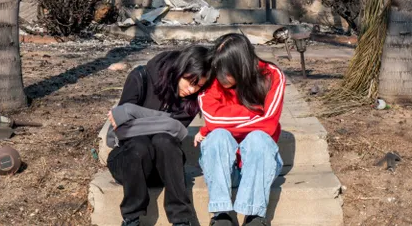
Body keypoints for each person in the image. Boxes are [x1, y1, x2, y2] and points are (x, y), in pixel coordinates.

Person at [106, 46, 212, 226]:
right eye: (189, 81)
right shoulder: (141, 78)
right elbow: (121, 130)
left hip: (163, 169)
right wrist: (168, 122)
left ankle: (181, 220)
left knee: (165, 141)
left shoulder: (191, 101)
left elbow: (176, 131)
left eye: (199, 85)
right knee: (139, 144)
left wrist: (133, 112)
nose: (192, 90)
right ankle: (131, 219)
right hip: (128, 164)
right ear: (179, 69)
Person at [195, 33, 286, 226]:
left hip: (260, 166)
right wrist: (255, 113)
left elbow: (269, 123)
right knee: (218, 136)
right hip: (223, 167)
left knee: (258, 139)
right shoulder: (213, 80)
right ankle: (222, 215)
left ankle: (254, 217)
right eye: (217, 68)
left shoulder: (272, 75)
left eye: (225, 70)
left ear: (241, 65)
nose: (219, 75)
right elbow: (212, 119)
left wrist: (216, 124)